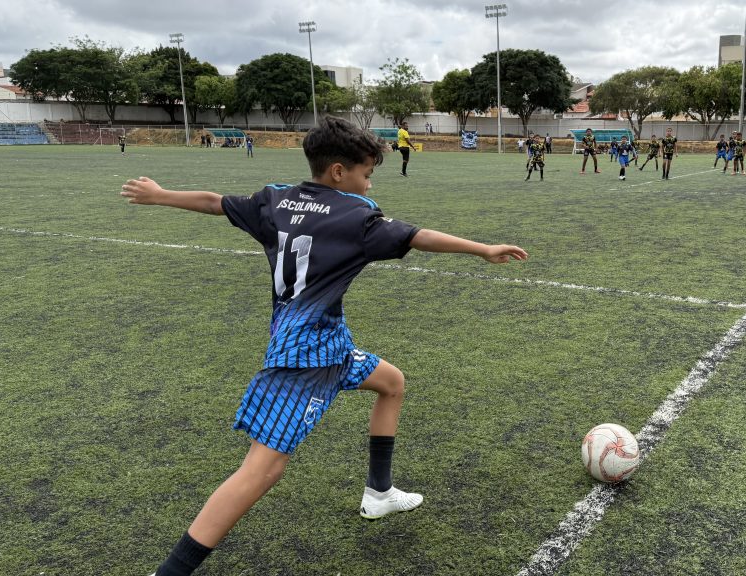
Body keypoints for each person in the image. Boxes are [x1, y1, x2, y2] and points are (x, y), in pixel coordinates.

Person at [123, 116, 528, 576]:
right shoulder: (357, 216)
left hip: (331, 344)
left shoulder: (275, 199)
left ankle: (379, 493)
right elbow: (419, 237)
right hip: (305, 358)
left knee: (391, 383)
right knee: (262, 470)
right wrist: (483, 249)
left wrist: (159, 195)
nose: (369, 181)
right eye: (366, 172)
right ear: (338, 171)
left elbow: (215, 202)